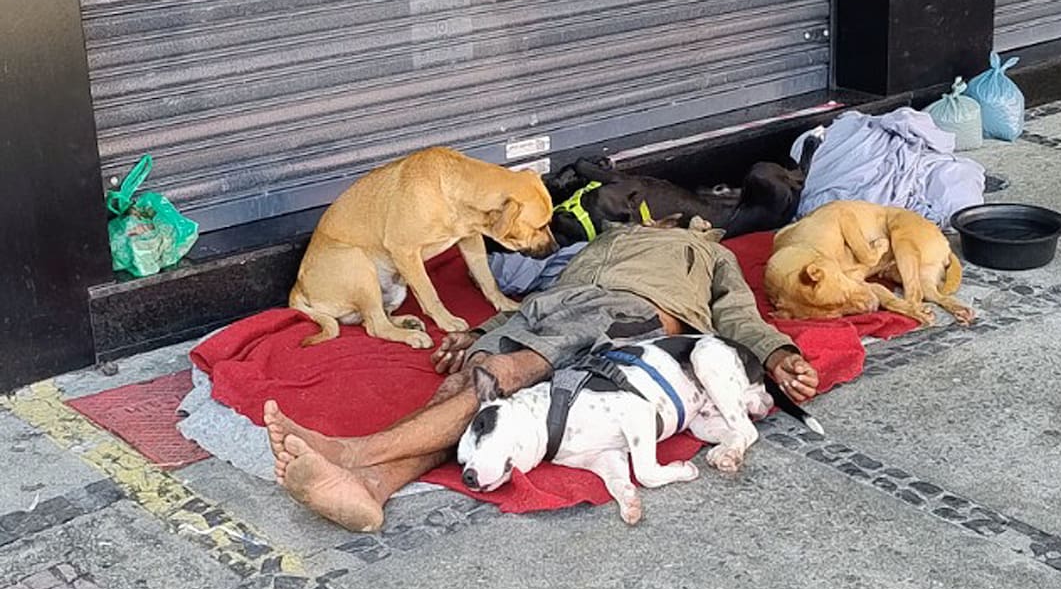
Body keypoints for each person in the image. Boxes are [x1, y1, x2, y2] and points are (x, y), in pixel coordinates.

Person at [264, 222, 819, 531]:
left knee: (506, 373)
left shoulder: (704, 252)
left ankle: (354, 453)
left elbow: (739, 314)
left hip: (630, 312)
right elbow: (530, 303)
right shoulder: (606, 240)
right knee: (470, 380)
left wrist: (775, 355)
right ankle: (373, 488)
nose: (663, 220)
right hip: (551, 307)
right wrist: (483, 329)